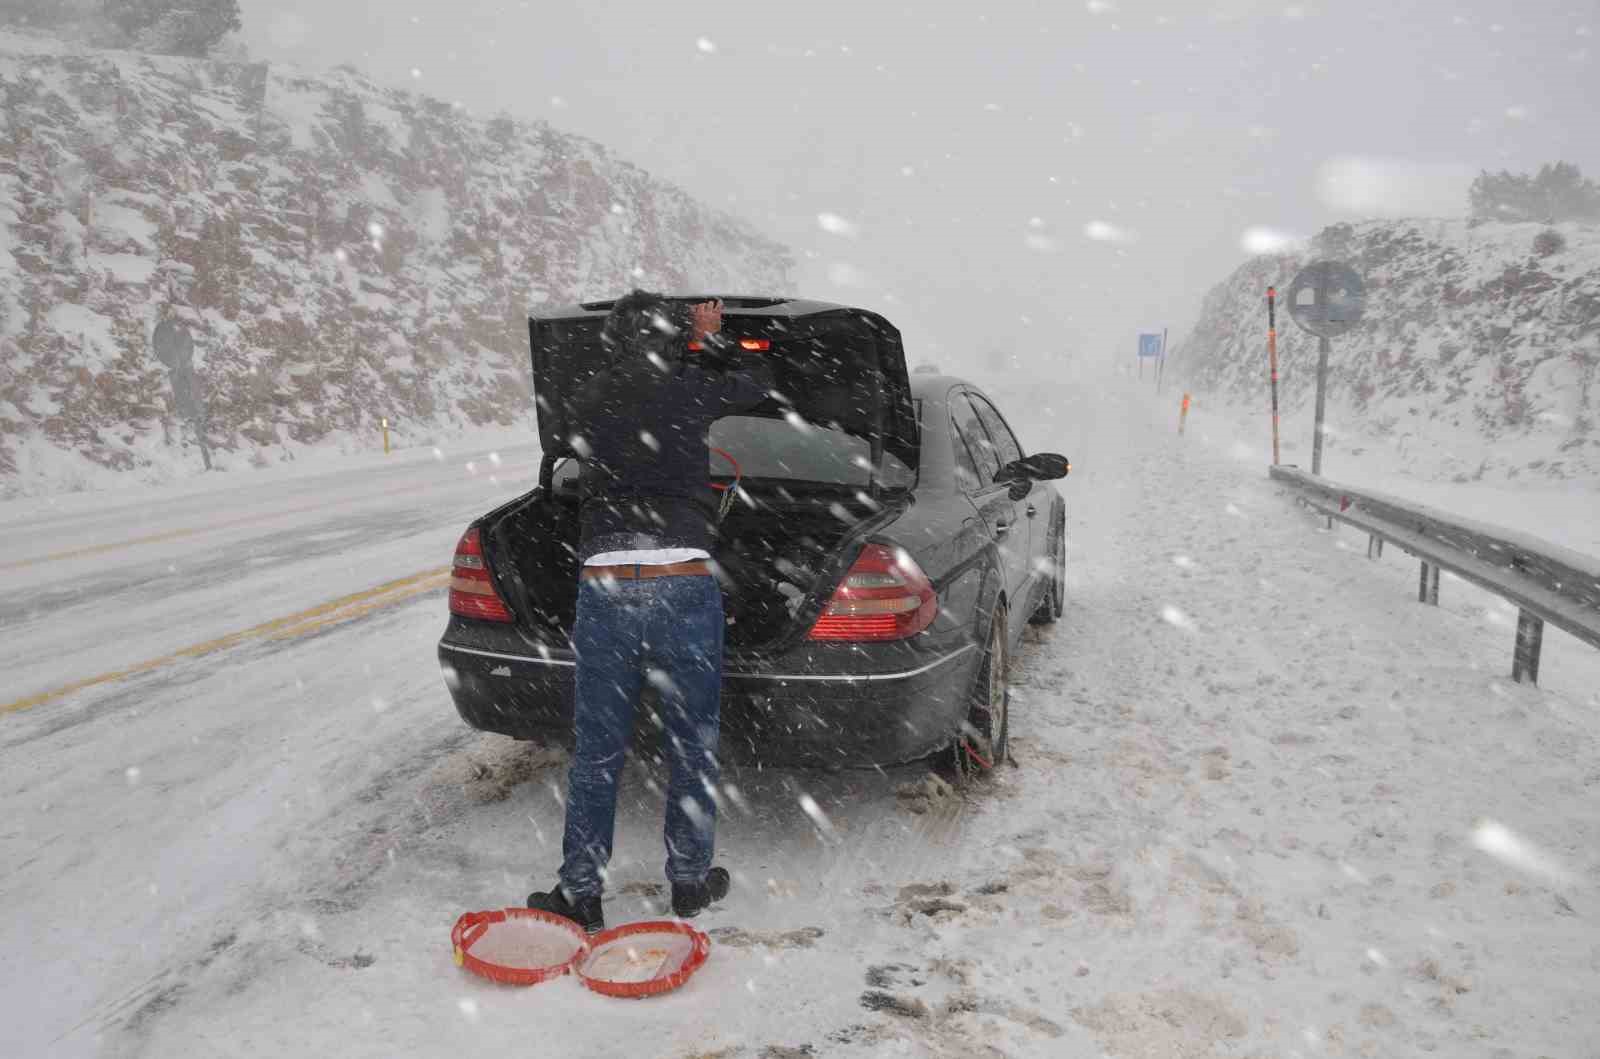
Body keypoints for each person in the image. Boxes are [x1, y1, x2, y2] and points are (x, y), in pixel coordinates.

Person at [527, 291, 772, 933]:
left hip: (607, 582)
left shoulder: (585, 397)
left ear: (613, 340)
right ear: (671, 338)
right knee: (693, 741)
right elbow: (758, 385)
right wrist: (709, 340)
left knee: (597, 751)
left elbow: (560, 464)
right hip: (684, 579)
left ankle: (581, 891)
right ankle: (689, 882)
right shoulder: (692, 387)